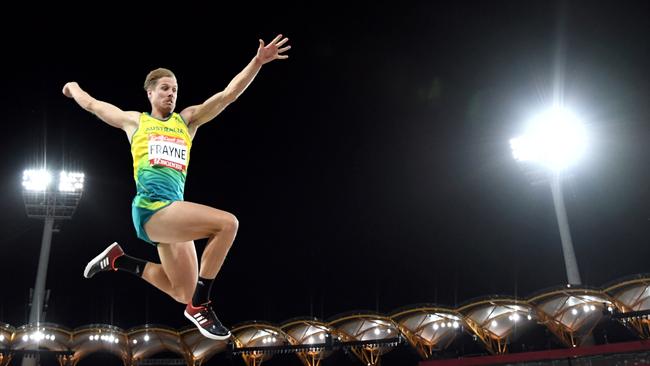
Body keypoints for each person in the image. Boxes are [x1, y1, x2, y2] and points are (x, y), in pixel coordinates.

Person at [62, 34, 291, 340]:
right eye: (165, 89)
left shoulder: (187, 122)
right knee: (227, 224)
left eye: (175, 90)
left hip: (175, 213)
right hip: (150, 210)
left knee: (182, 290)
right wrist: (73, 87)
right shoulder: (136, 122)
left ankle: (120, 260)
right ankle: (202, 305)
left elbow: (227, 96)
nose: (171, 94)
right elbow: (93, 105)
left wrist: (257, 62)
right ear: (150, 93)